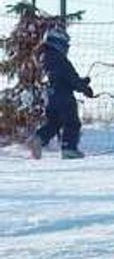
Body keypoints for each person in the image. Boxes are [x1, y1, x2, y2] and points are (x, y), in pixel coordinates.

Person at [25, 22, 94, 160]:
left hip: (50, 96)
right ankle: (69, 148)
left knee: (54, 123)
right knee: (72, 122)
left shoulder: (45, 58)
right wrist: (84, 88)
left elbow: (63, 77)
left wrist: (82, 82)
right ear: (59, 43)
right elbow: (70, 78)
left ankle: (38, 138)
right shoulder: (60, 59)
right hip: (63, 96)